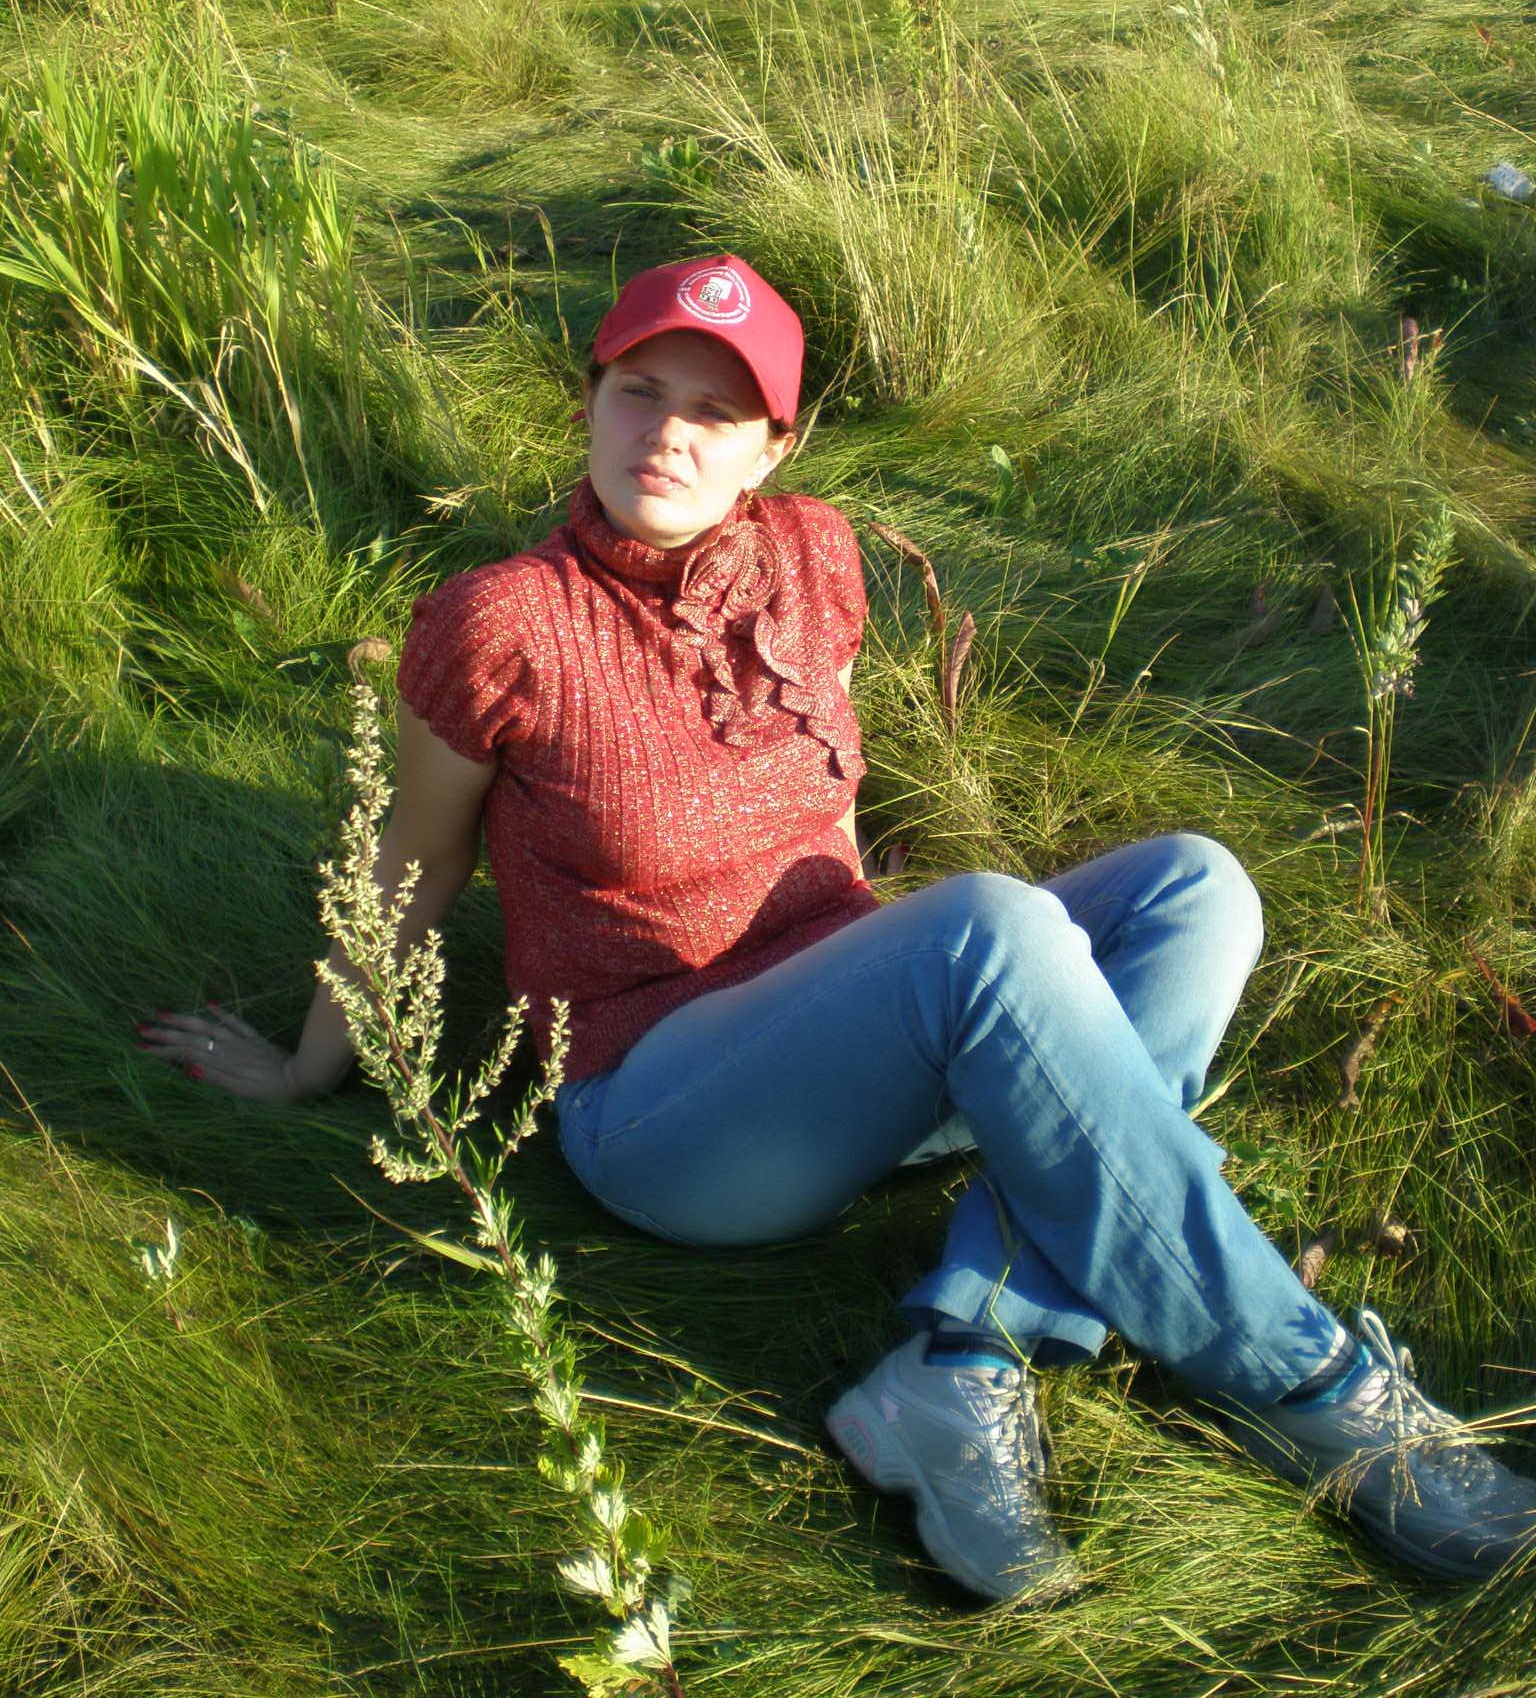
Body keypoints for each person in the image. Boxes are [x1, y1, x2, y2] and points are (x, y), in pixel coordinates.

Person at [136, 254, 1536, 1601]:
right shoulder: (501, 622)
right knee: (985, 929)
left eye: (716, 411)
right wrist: (310, 1066)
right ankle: (1317, 1391)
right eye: (639, 391)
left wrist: (887, 972)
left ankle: (962, 1365)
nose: (667, 435)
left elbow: (823, 798)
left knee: (1197, 884)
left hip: (869, 1044)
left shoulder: (815, 553)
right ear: (590, 399)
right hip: (666, 1109)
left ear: (773, 448)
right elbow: (418, 859)